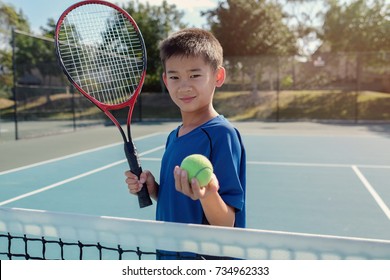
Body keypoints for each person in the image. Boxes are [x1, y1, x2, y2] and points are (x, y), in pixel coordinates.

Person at [124, 28, 246, 259]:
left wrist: (208, 194)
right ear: (165, 81)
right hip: (170, 253)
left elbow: (226, 222)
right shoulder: (174, 136)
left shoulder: (222, 135)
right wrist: (155, 190)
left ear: (218, 77)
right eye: (175, 77)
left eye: (195, 75)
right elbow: (182, 201)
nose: (184, 86)